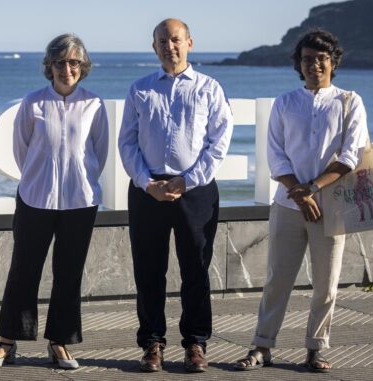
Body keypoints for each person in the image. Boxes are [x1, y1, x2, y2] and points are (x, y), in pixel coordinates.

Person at [234, 29, 368, 373]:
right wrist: (300, 191)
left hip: (332, 206)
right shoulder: (284, 103)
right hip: (288, 205)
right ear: (299, 63)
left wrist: (313, 188)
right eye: (307, 59)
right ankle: (262, 346)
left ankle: (316, 349)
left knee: (326, 283)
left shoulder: (349, 101)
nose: (314, 65)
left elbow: (350, 155)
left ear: (332, 62)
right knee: (278, 279)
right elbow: (276, 157)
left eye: (321, 59)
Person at [0, 33, 109, 370]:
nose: (68, 69)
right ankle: (7, 343)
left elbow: (99, 153)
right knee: (23, 271)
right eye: (61, 62)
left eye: (74, 62)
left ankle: (60, 343)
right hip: (35, 200)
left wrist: (77, 181)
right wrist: (43, 180)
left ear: (83, 67)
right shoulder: (33, 103)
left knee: (69, 274)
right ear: (49, 66)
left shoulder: (94, 104)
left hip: (80, 202)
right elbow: (23, 152)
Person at [118, 18, 233, 373]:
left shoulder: (209, 88)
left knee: (195, 269)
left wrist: (188, 180)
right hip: (147, 190)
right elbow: (127, 141)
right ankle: (152, 342)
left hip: (195, 192)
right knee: (149, 271)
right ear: (154, 47)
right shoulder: (140, 89)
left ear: (189, 43)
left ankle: (196, 343)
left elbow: (219, 142)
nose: (170, 46)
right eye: (162, 41)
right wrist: (145, 182)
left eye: (176, 39)